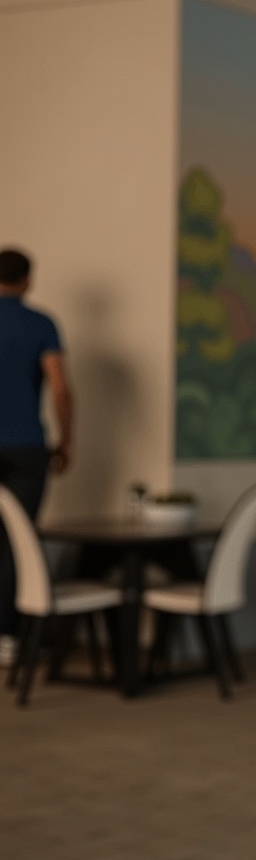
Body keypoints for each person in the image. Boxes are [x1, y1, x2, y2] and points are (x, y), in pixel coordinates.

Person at [0, 246, 74, 667]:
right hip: (27, 447)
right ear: (28, 279)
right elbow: (60, 388)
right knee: (18, 539)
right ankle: (8, 633)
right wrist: (68, 440)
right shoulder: (41, 324)